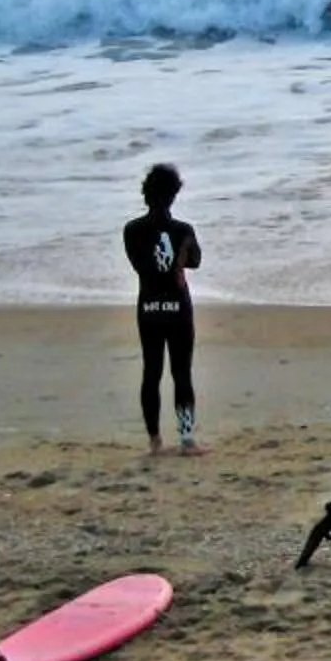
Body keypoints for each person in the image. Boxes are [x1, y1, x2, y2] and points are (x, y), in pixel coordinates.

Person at [124, 162, 204, 455]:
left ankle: (155, 441)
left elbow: (142, 267)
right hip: (179, 307)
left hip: (149, 307)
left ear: (147, 194)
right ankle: (186, 440)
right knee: (182, 374)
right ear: (173, 196)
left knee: (151, 372)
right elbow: (195, 262)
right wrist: (180, 256)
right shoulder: (183, 230)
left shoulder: (132, 230)